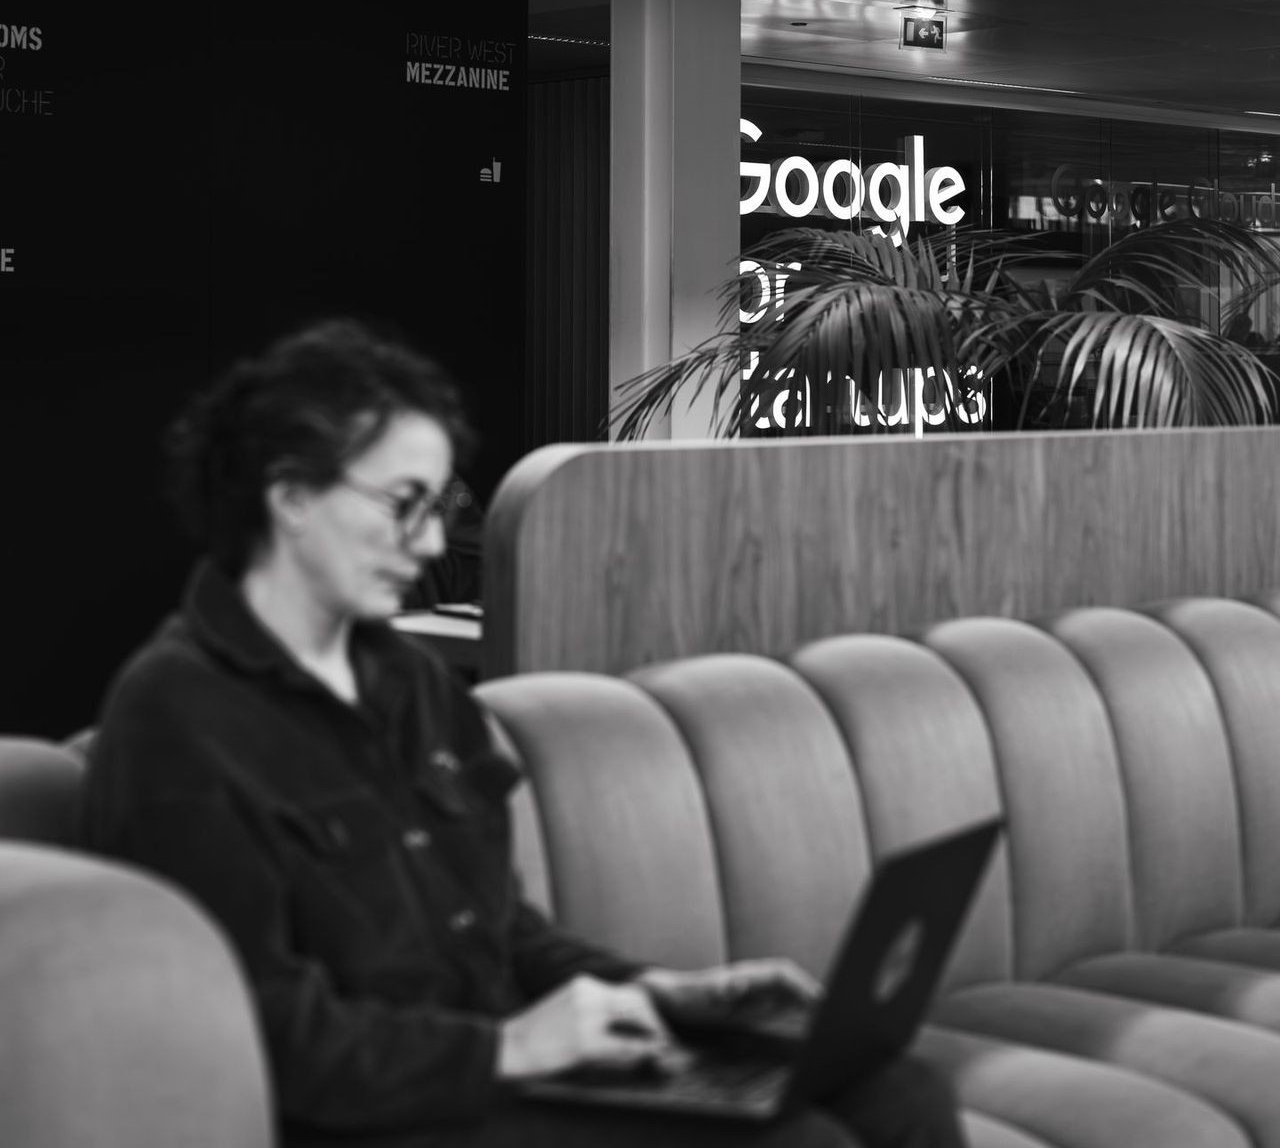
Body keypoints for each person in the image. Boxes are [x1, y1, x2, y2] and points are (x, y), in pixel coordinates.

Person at [83, 318, 964, 1148]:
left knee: (903, 1091)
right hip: (380, 1114)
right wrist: (511, 1048)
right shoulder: (177, 715)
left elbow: (501, 930)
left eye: (437, 507)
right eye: (404, 504)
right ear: (291, 498)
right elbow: (258, 1031)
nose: (433, 543)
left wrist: (662, 992)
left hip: (509, 1069)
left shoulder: (412, 682)